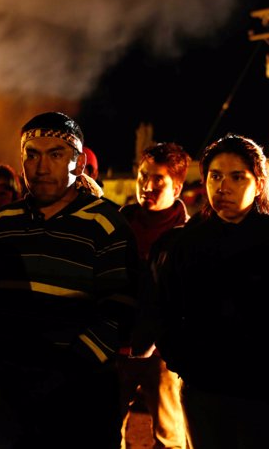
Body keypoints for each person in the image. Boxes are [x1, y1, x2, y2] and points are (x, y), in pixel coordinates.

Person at [0, 111, 139, 449]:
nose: (41, 167)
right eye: (32, 154)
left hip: (80, 400)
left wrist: (65, 373)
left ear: (78, 163)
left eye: (56, 155)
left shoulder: (106, 224)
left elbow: (120, 311)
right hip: (8, 399)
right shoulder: (2, 223)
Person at [156, 133, 269, 449]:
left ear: (258, 183)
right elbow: (166, 306)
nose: (223, 187)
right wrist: (183, 359)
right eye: (215, 176)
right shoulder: (190, 239)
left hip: (268, 393)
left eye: (237, 177)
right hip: (204, 389)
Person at [117, 142, 191, 449]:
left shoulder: (189, 234)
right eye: (142, 176)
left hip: (165, 357)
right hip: (118, 347)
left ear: (177, 186)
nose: (147, 186)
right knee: (105, 429)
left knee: (169, 435)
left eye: (158, 179)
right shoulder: (118, 224)